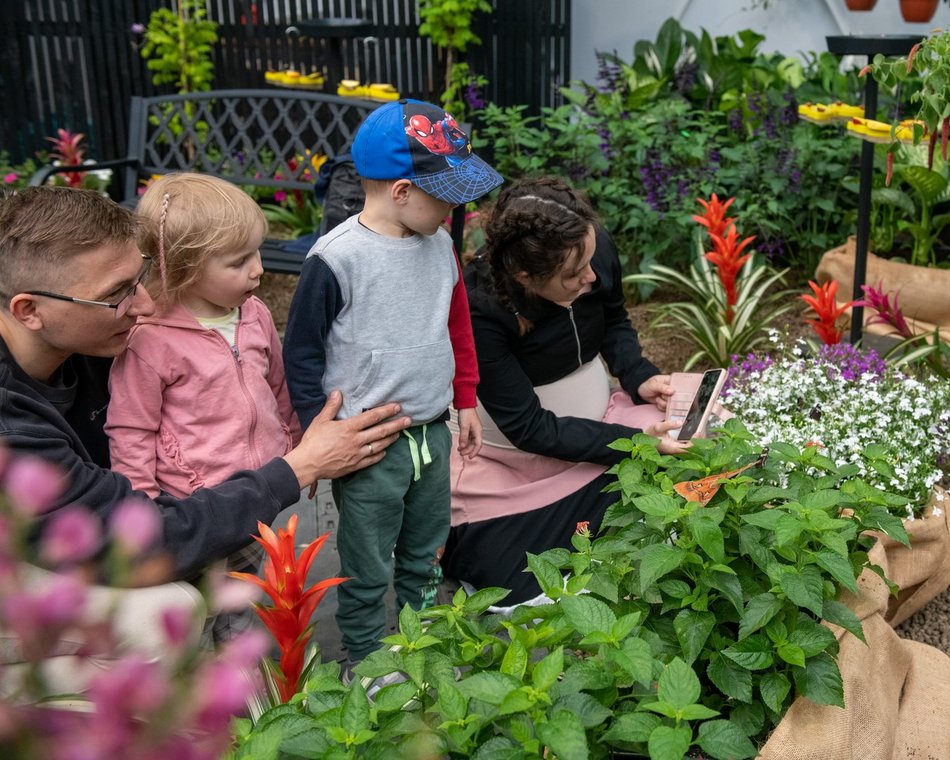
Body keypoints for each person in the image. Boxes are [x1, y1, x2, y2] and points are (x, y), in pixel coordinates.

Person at [0, 186, 410, 633]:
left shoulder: (91, 340)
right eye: (117, 293)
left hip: (121, 524)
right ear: (29, 311)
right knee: (160, 616)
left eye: (140, 277)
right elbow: (142, 539)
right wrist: (298, 467)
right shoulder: (12, 431)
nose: (146, 304)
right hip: (42, 565)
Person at [283, 99, 503, 667]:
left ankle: (421, 641)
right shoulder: (337, 259)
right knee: (365, 562)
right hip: (368, 445)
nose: (459, 206)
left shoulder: (442, 248)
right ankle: (363, 657)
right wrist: (315, 430)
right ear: (402, 191)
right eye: (447, 195)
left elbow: (456, 328)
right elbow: (302, 351)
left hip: (431, 432)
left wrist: (466, 400)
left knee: (426, 552)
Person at [441, 176, 689, 605]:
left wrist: (639, 374)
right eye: (573, 275)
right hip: (514, 456)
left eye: (591, 261)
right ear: (525, 275)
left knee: (697, 440)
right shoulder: (480, 307)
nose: (591, 277)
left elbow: (615, 321)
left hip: (600, 421)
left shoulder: (587, 246)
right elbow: (530, 428)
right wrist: (632, 444)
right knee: (510, 577)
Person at [104, 173, 302, 643]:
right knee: (204, 610)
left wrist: (294, 445)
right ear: (187, 267)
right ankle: (210, 696)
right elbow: (131, 429)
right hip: (196, 504)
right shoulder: (151, 339)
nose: (258, 270)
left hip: (264, 491)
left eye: (257, 252)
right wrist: (143, 507)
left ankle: (245, 690)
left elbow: (277, 384)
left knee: (250, 600)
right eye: (238, 262)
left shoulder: (253, 315)